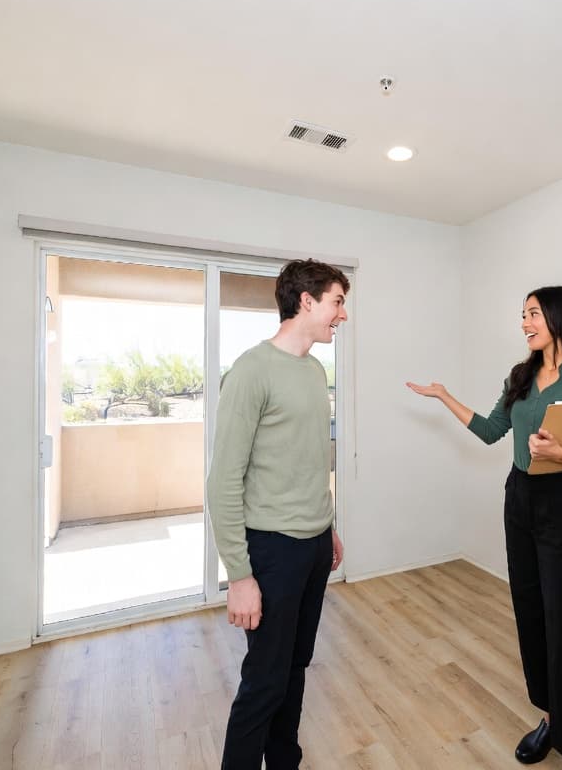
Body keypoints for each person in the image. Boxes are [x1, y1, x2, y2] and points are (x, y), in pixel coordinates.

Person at [406, 285, 562, 770]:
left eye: (533, 314)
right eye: (523, 315)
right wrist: (444, 396)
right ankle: (551, 717)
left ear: (560, 318)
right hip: (520, 498)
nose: (524, 323)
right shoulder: (521, 376)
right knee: (531, 614)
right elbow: (490, 431)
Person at [207, 258, 349, 770]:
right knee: (265, 680)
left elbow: (310, 461)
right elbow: (223, 481)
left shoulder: (314, 371)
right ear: (306, 301)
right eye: (337, 302)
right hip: (271, 550)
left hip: (314, 546)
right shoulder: (251, 371)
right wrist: (239, 575)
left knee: (295, 667)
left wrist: (329, 529)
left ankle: (285, 762)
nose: (343, 315)